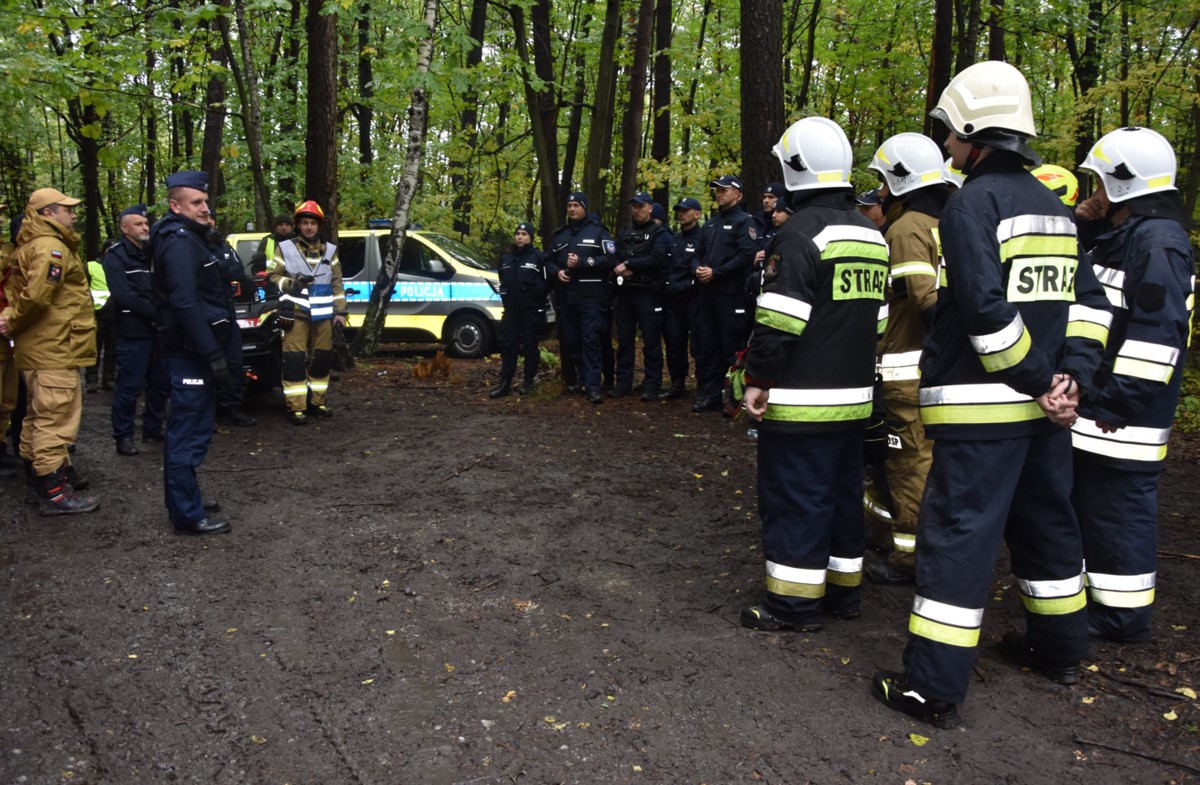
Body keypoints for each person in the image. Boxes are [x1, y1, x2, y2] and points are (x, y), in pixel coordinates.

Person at [871, 61, 1112, 728]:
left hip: (984, 414)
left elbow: (980, 308)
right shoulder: (1053, 209)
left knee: (957, 541)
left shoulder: (974, 203)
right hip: (1045, 416)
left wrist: (1041, 382)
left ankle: (931, 689)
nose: (946, 147)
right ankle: (1060, 649)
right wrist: (1071, 380)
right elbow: (1090, 306)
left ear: (973, 134)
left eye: (949, 134)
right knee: (1049, 528)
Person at [735, 117, 889, 633]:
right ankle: (843, 593)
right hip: (856, 397)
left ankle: (793, 606)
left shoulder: (799, 233)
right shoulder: (871, 233)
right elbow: (881, 320)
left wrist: (757, 379)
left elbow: (779, 321)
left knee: (796, 497)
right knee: (845, 496)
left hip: (803, 399)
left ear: (795, 169)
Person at [1071, 127, 1195, 643]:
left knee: (1119, 512)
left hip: (1124, 417)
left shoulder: (1158, 244)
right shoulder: (1129, 234)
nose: (1092, 193)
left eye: (1098, 184)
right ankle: (1099, 602)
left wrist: (1117, 403)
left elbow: (1156, 336)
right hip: (1106, 406)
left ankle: (1121, 616)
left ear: (1123, 183)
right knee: (1098, 510)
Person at [861, 132, 953, 585]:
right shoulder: (951, 220)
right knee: (894, 462)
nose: (879, 192)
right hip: (934, 368)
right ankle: (880, 533)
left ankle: (908, 559)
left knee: (909, 461)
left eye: (882, 181)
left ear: (901, 180)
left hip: (905, 371)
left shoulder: (905, 228)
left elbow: (923, 299)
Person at [0, 187, 100, 515]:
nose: (73, 214)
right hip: (52, 346)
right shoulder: (50, 248)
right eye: (66, 209)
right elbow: (36, 297)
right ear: (48, 214)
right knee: (55, 418)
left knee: (38, 415)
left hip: (45, 346)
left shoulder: (34, 245)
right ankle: (54, 492)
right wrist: (11, 321)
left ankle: (38, 482)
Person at [150, 170, 232, 535]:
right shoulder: (179, 241)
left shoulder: (190, 238)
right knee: (187, 433)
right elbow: (184, 302)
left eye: (205, 201)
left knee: (189, 429)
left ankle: (185, 499)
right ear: (175, 205)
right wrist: (211, 353)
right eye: (196, 202)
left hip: (191, 351)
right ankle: (187, 514)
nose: (204, 208)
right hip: (189, 354)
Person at [269, 200, 347, 424]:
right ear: (298, 225)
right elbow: (273, 277)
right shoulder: (285, 248)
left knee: (321, 360)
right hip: (295, 313)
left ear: (318, 225)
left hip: (323, 316)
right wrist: (291, 283)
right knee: (294, 360)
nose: (309, 227)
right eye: (305, 223)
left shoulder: (330, 251)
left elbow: (337, 283)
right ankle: (296, 408)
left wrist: (340, 312)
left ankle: (318, 403)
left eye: (313, 223)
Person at [103, 204, 168, 456]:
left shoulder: (154, 254)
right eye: (138, 224)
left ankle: (153, 427)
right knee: (129, 386)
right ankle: (123, 436)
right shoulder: (116, 256)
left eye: (145, 223)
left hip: (158, 331)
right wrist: (157, 311)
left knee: (161, 384)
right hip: (134, 332)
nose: (145, 227)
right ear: (124, 228)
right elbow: (123, 295)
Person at [691, 175, 758, 412]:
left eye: (724, 190)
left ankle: (733, 398)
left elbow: (746, 256)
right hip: (707, 295)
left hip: (732, 295)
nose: (719, 194)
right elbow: (697, 253)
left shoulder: (744, 222)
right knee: (707, 345)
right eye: (717, 190)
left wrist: (716, 273)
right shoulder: (710, 224)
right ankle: (709, 394)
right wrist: (697, 269)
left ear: (737, 194)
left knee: (731, 346)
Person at [550, 191, 617, 404]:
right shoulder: (560, 235)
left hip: (592, 297)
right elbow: (548, 261)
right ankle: (581, 379)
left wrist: (583, 262)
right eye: (569, 205)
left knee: (591, 341)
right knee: (572, 342)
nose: (572, 209)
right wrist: (556, 272)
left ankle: (594, 386)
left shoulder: (598, 232)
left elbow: (610, 259)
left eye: (576, 205)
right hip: (568, 299)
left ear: (584, 208)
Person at [613, 192, 672, 400]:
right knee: (625, 341)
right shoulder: (625, 232)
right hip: (626, 295)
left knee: (651, 341)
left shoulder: (659, 233)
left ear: (650, 208)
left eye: (641, 206)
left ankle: (652, 384)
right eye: (634, 206)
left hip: (648, 294)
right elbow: (616, 255)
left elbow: (657, 258)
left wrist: (630, 265)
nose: (637, 210)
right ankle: (623, 382)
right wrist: (624, 266)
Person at [491, 222, 555, 398]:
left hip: (531, 311)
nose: (520, 236)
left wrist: (538, 293)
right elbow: (502, 278)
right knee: (509, 345)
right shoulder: (506, 258)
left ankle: (528, 382)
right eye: (518, 233)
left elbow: (549, 280)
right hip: (511, 311)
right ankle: (505, 383)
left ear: (531, 237)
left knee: (530, 347)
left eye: (524, 234)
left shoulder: (538, 257)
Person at [208, 211, 256, 427]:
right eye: (205, 218)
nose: (209, 222)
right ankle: (209, 411)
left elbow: (238, 270)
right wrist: (221, 267)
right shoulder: (191, 246)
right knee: (207, 364)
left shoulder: (225, 246)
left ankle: (232, 408)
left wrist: (219, 267)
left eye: (212, 219)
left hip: (227, 313)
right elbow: (200, 273)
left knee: (235, 363)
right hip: (205, 314)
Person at [660, 197, 704, 400]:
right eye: (679, 210)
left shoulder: (704, 237)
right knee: (674, 342)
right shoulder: (675, 239)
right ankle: (678, 382)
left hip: (694, 299)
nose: (681, 214)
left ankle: (703, 385)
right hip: (674, 300)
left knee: (699, 344)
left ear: (697, 214)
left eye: (686, 210)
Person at [85, 250, 117, 392]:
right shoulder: (91, 266)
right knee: (94, 349)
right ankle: (91, 380)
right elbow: (83, 289)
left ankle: (108, 379)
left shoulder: (119, 265)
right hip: (96, 314)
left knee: (112, 350)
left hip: (115, 314)